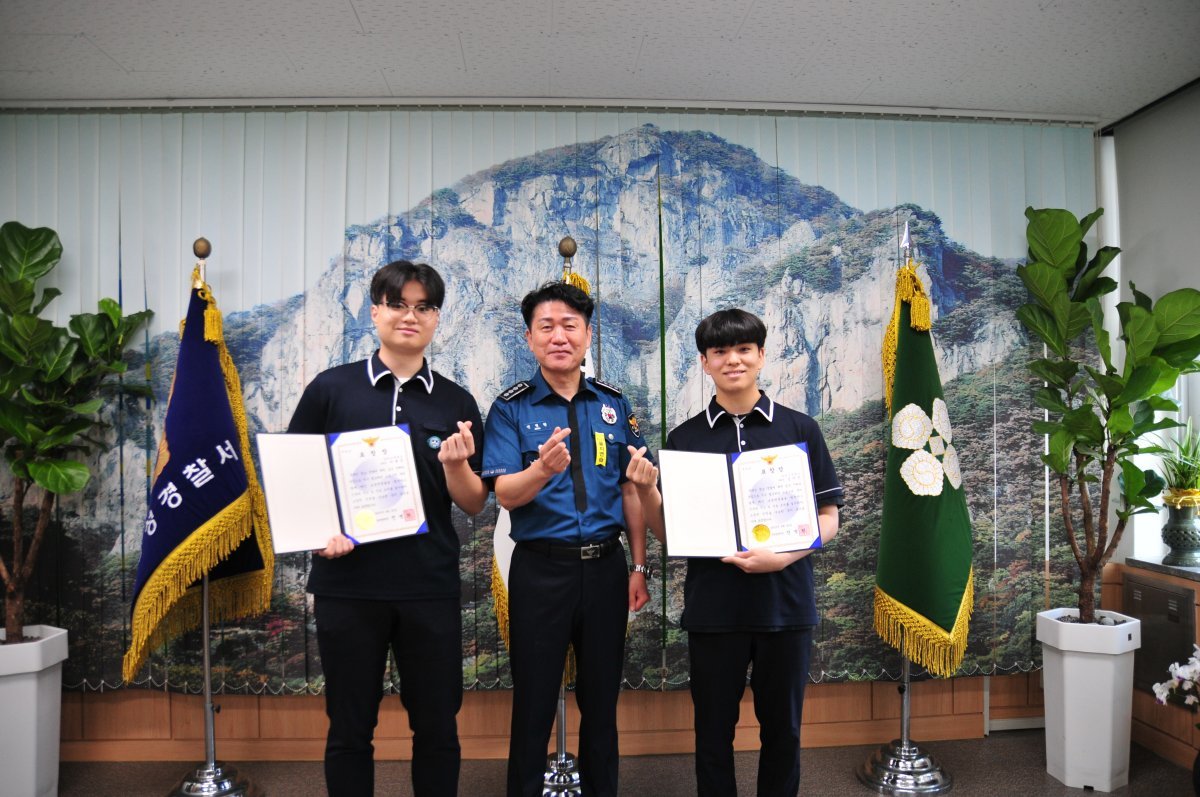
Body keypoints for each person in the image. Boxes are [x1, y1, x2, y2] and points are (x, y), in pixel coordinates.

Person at [287, 260, 487, 797]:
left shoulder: (456, 402)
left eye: (423, 307)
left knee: (438, 728)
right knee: (351, 729)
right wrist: (317, 532)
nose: (409, 316)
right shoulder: (331, 389)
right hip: (348, 586)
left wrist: (455, 465)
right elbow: (294, 474)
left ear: (436, 319)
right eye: (397, 304)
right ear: (375, 310)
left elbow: (473, 502)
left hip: (429, 585)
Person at [632, 308, 843, 797]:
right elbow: (672, 534)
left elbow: (829, 518)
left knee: (784, 733)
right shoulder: (684, 439)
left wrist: (784, 557)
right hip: (713, 610)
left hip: (786, 605)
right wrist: (646, 493)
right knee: (712, 734)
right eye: (720, 351)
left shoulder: (800, 429)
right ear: (705, 362)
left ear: (762, 355)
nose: (733, 360)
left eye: (744, 349)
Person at [482, 280, 657, 796]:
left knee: (601, 703)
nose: (559, 336)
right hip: (541, 568)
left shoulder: (612, 403)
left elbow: (633, 490)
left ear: (586, 335)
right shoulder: (510, 407)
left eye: (570, 326)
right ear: (530, 338)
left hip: (606, 568)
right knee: (534, 703)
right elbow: (505, 494)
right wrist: (540, 470)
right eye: (546, 327)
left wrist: (639, 566)